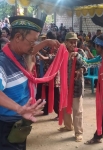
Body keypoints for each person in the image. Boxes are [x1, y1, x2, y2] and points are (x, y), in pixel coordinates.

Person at [0, 16, 59, 150]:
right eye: (32, 41)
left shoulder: (19, 56)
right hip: (7, 125)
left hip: (20, 122)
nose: (34, 45)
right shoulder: (3, 63)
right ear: (18, 37)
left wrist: (46, 43)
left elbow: (31, 51)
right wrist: (19, 108)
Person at [71, 35, 103, 150]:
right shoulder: (102, 57)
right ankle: (98, 136)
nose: (94, 47)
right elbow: (88, 62)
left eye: (95, 45)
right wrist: (78, 55)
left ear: (99, 46)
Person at [58, 32, 87, 142]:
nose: (74, 44)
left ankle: (78, 132)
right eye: (71, 42)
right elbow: (54, 61)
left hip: (76, 86)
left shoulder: (80, 52)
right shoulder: (62, 52)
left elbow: (86, 64)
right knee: (65, 107)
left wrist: (79, 62)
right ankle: (68, 126)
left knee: (77, 109)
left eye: (75, 42)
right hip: (65, 85)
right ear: (65, 42)